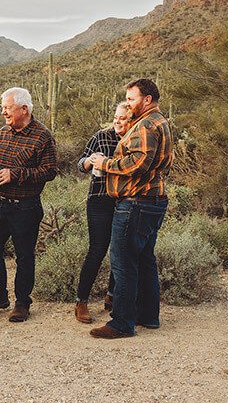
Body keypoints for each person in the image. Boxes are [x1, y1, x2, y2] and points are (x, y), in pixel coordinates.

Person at [89, 78, 176, 338]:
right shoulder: (162, 122)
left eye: (131, 99)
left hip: (136, 201)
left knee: (123, 261)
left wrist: (105, 163)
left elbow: (137, 164)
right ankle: (148, 316)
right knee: (145, 259)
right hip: (154, 199)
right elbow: (164, 164)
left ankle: (122, 323)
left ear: (147, 99)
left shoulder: (146, 125)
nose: (128, 105)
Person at [0, 87, 59, 322]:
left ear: (24, 109)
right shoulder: (3, 133)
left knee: (24, 256)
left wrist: (16, 174)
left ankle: (22, 302)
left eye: (7, 108)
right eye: (2, 108)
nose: (3, 112)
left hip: (25, 207)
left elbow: (50, 171)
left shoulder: (42, 136)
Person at [73, 102, 129, 323]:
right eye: (115, 117)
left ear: (131, 120)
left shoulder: (135, 139)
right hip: (99, 199)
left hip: (124, 199)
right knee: (97, 249)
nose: (117, 121)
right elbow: (80, 163)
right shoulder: (101, 137)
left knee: (120, 248)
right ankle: (81, 300)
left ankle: (112, 296)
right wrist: (88, 162)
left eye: (122, 118)